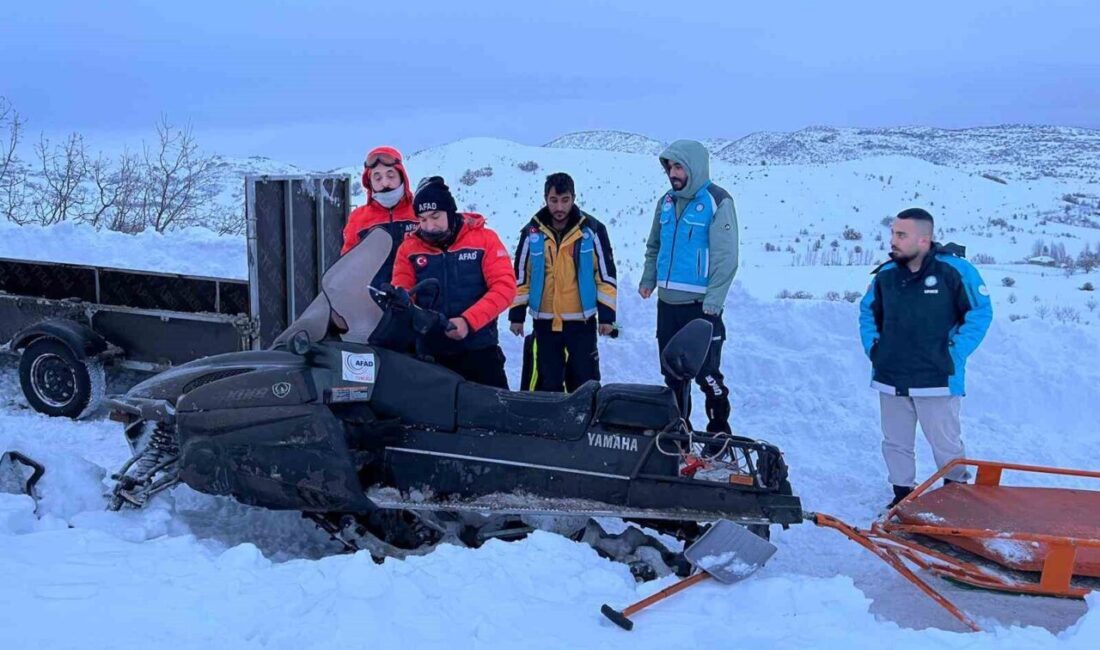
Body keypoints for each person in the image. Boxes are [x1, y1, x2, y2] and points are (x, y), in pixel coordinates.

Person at [859, 207, 993, 508]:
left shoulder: (955, 271)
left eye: (901, 234)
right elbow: (867, 312)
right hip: (890, 377)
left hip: (937, 378)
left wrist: (954, 351)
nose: (893, 240)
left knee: (945, 442)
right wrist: (875, 349)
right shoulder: (886, 275)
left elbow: (980, 312)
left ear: (923, 238)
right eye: (893, 233)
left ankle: (955, 497)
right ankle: (902, 497)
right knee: (895, 442)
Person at [639, 140, 739, 435]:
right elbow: (654, 245)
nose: (673, 172)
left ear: (694, 166)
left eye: (678, 166)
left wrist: (714, 300)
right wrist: (648, 278)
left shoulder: (717, 201)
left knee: (707, 375)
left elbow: (727, 257)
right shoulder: (666, 202)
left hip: (699, 308)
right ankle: (678, 434)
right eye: (670, 167)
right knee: (673, 376)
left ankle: (719, 432)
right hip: (667, 307)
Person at [391, 176, 516, 388]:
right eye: (422, 219)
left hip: (479, 350)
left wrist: (468, 321)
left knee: (494, 416)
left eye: (435, 216)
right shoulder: (409, 249)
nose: (429, 226)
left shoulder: (484, 240)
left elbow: (505, 287)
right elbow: (403, 289)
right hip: (431, 354)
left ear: (450, 212)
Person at [509, 173, 617, 392]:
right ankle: (547, 424)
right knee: (547, 382)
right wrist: (517, 315)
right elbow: (521, 276)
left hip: (581, 321)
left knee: (584, 383)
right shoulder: (532, 232)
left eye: (565, 200)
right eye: (554, 200)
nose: (559, 207)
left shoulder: (592, 230)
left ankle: (584, 423)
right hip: (545, 321)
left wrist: (607, 316)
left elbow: (605, 275)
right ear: (545, 198)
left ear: (574, 198)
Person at [340, 146, 417, 288]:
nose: (385, 183)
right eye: (377, 177)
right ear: (369, 182)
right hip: (372, 302)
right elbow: (347, 266)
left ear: (402, 176)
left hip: (414, 301)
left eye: (391, 175)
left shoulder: (419, 212)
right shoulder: (358, 218)